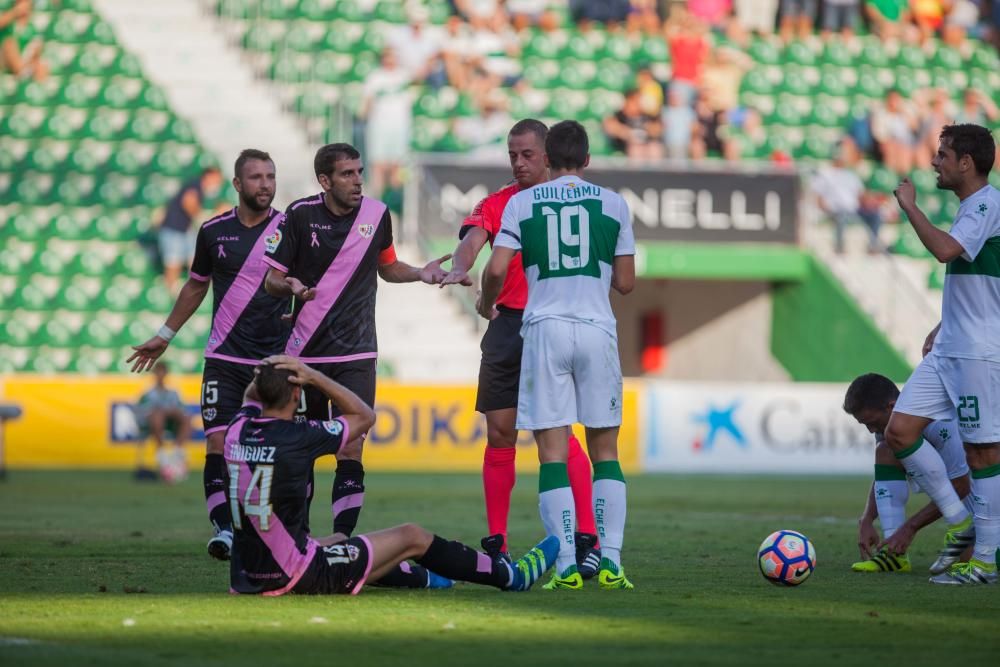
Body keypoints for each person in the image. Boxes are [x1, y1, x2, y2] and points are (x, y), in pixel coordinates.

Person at [226, 356, 558, 596]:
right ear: (296, 394)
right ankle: (511, 576)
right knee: (412, 536)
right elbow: (364, 416)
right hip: (296, 574)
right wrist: (314, 375)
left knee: (341, 543)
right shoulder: (302, 435)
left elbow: (250, 397)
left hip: (247, 575)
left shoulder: (236, 431)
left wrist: (267, 376)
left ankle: (429, 579)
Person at [262, 142, 452, 542]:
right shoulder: (299, 215)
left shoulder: (377, 214)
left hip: (357, 351)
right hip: (303, 354)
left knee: (352, 444)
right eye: (347, 174)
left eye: (360, 172)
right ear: (324, 180)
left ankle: (342, 540)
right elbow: (271, 279)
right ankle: (297, 539)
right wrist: (290, 284)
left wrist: (421, 273)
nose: (358, 181)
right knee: (301, 451)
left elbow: (388, 267)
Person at [439, 119, 603, 578]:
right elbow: (471, 243)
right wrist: (458, 267)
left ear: (549, 154)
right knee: (500, 434)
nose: (518, 162)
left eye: (527, 154)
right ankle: (497, 542)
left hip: (551, 325)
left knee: (557, 435)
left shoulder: (569, 201)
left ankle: (586, 536)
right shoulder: (497, 202)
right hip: (507, 326)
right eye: (512, 154)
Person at [479, 120, 636, 590]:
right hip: (595, 328)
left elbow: (497, 267)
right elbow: (626, 283)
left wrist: (487, 302)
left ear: (547, 158)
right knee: (604, 451)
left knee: (551, 453)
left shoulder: (523, 203)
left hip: (543, 329)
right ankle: (610, 561)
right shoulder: (614, 203)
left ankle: (566, 565)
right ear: (587, 160)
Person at [128, 149, 289, 561]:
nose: (265, 184)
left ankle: (281, 535)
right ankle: (225, 531)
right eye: (255, 177)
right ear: (237, 185)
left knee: (280, 452)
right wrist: (165, 334)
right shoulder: (214, 231)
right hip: (225, 358)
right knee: (218, 445)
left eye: (270, 176)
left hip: (276, 362)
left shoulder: (292, 228)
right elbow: (196, 286)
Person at [888, 123, 1000, 585]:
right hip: (951, 343)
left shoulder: (987, 205)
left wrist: (910, 208)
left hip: (977, 352)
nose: (935, 162)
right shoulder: (972, 207)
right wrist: (943, 321)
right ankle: (960, 519)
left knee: (982, 453)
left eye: (943, 155)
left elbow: (944, 251)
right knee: (899, 429)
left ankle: (986, 561)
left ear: (966, 163)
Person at [843, 373, 973, 573]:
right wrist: (867, 518)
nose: (871, 431)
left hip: (980, 494)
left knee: (970, 559)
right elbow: (884, 469)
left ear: (892, 406)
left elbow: (962, 485)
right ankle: (893, 556)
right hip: (957, 489)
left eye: (872, 422)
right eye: (865, 425)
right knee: (885, 450)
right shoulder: (889, 425)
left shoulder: (940, 422)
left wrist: (910, 528)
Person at [158, 166, 224, 293]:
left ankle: (194, 293)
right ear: (207, 177)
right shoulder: (195, 185)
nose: (217, 184)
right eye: (216, 180)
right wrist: (201, 217)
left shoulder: (205, 191)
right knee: (173, 263)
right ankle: (171, 293)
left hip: (187, 231)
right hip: (174, 230)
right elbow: (188, 202)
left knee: (195, 262)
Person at [135, 361, 191, 483]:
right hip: (151, 425)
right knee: (157, 416)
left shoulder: (173, 393)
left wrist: (168, 412)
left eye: (163, 371)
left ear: (166, 373)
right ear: (154, 373)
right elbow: (142, 414)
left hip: (170, 424)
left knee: (186, 418)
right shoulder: (147, 394)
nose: (160, 374)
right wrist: (163, 412)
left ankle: (177, 450)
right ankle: (162, 454)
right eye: (158, 371)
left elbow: (181, 410)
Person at [0, 0, 47, 82]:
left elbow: (35, 50)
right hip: (4, 60)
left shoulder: (32, 28)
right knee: (9, 43)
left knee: (41, 65)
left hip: (24, 60)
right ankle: (22, 71)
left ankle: (33, 86)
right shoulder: (8, 23)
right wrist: (15, 12)